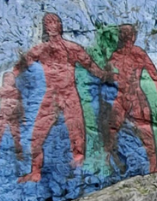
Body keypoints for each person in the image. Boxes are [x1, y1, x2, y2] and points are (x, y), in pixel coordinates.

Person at [16, 13, 111, 183]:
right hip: (51, 96)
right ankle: (35, 171)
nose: (52, 25)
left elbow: (92, 67)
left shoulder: (72, 48)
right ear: (45, 27)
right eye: (48, 22)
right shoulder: (40, 50)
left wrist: (108, 75)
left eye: (55, 22)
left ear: (60, 25)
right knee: (37, 135)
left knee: (77, 131)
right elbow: (19, 68)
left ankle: (79, 165)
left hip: (69, 94)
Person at [105, 24, 157, 173]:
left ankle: (153, 165)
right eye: (123, 34)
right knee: (112, 130)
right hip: (122, 98)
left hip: (135, 97)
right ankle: (106, 164)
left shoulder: (138, 53)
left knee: (146, 131)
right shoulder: (116, 55)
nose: (126, 37)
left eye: (127, 34)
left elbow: (154, 75)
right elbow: (106, 76)